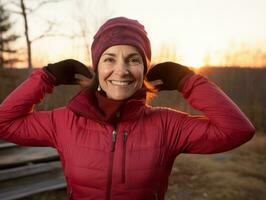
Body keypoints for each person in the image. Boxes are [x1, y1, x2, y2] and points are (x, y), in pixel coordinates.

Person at [0, 17, 255, 200]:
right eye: (109, 59)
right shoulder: (64, 122)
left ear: (144, 69)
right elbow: (4, 123)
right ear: (97, 69)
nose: (121, 70)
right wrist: (46, 77)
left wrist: (188, 81)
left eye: (133, 60)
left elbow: (237, 130)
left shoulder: (167, 125)